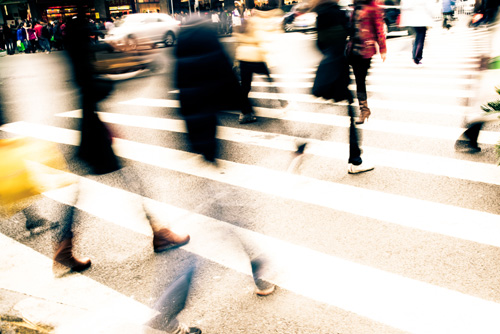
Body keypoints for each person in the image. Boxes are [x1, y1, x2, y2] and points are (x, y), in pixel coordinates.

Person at [49, 6, 191, 274]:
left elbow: (91, 82)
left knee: (89, 185)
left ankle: (64, 247)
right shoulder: (79, 44)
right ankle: (159, 233)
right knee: (131, 180)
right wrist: (135, 71)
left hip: (91, 125)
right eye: (91, 28)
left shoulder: (75, 43)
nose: (95, 32)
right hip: (91, 129)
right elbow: (93, 86)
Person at [176, 16, 277, 296]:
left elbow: (181, 93)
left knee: (223, 212)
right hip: (209, 138)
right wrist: (247, 106)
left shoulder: (181, 43)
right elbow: (230, 88)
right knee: (223, 214)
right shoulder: (208, 38)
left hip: (195, 137)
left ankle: (257, 263)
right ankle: (167, 310)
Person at [312, 0, 374, 174]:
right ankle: (355, 161)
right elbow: (349, 36)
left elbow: (319, 43)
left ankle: (304, 142)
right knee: (348, 117)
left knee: (335, 113)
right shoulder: (337, 13)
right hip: (338, 71)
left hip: (327, 70)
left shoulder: (321, 13)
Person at [234, 6, 287, 124]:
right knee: (269, 79)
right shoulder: (255, 22)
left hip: (243, 58)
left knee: (245, 87)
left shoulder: (241, 26)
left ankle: (245, 113)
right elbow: (261, 37)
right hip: (255, 57)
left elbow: (238, 41)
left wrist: (236, 61)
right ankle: (282, 101)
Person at [346, 0, 386, 124]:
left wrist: (382, 48)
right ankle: (363, 108)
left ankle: (364, 109)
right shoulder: (356, 7)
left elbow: (379, 28)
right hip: (352, 49)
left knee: (360, 80)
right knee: (355, 79)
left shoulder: (373, 7)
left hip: (365, 50)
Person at [400, 0, 433, 66]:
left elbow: (404, 6)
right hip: (421, 20)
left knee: (417, 38)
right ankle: (417, 58)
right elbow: (429, 8)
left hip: (413, 20)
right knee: (420, 39)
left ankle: (415, 56)